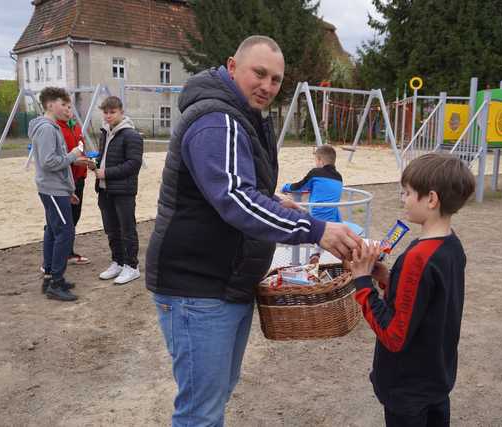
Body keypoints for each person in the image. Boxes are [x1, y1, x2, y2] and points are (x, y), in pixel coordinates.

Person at [145, 35, 361, 426]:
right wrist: (315, 229)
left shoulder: (243, 117)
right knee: (200, 412)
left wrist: (277, 202)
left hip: (225, 282)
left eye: (276, 80)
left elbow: (240, 191)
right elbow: (234, 198)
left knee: (215, 397)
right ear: (232, 66)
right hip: (196, 287)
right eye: (258, 73)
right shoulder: (216, 120)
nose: (267, 86)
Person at [347, 153, 475, 427]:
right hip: (436, 380)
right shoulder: (452, 246)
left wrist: (362, 283)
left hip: (407, 388)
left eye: (406, 193)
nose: (402, 198)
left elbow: (393, 335)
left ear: (431, 199)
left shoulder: (418, 258)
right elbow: (427, 301)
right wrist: (388, 279)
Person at [29, 87, 86, 301]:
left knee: (54, 231)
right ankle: (56, 282)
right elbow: (49, 162)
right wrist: (72, 155)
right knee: (65, 232)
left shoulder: (51, 127)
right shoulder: (46, 129)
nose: (67, 109)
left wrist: (68, 190)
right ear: (51, 104)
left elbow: (54, 162)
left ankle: (50, 279)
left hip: (56, 189)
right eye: (63, 105)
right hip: (52, 189)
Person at [92, 96, 143, 285]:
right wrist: (94, 164)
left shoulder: (132, 135)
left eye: (112, 112)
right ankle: (118, 262)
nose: (108, 116)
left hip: (124, 191)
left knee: (127, 229)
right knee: (111, 229)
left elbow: (133, 165)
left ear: (121, 112)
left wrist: (106, 172)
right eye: (105, 112)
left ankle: (132, 266)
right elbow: (104, 157)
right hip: (105, 190)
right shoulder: (105, 132)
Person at [281, 144, 343, 262]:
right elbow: (322, 188)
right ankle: (318, 253)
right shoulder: (339, 177)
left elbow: (298, 187)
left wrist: (285, 187)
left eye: (316, 160)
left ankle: (304, 257)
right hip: (332, 216)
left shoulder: (316, 172)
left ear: (319, 160)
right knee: (334, 218)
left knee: (298, 215)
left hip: (317, 215)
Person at [58, 104, 91, 265]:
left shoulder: (76, 126)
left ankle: (68, 252)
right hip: (64, 181)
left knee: (73, 218)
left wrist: (86, 161)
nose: (68, 110)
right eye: (64, 106)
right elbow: (56, 157)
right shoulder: (55, 129)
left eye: (70, 107)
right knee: (59, 221)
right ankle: (51, 259)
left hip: (79, 178)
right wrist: (74, 160)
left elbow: (80, 147)